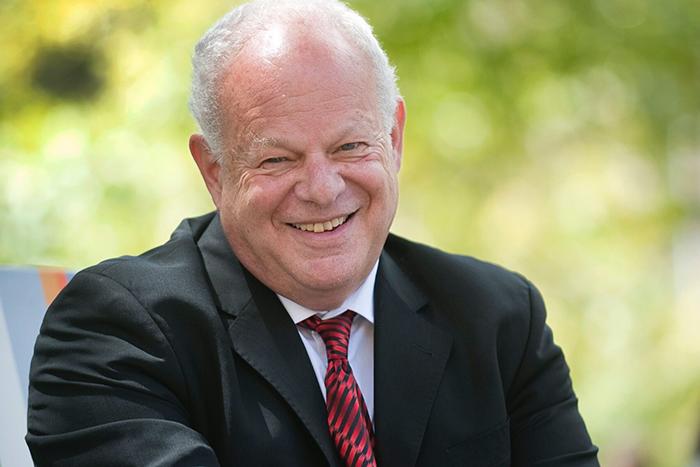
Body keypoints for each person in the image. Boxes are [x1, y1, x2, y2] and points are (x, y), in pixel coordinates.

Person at [26, 0, 599, 465]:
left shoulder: (500, 319)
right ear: (214, 171)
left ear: (394, 139)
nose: (322, 188)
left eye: (351, 146)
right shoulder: (115, 331)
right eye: (277, 160)